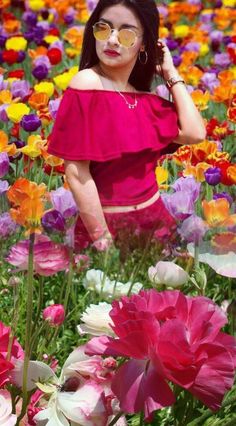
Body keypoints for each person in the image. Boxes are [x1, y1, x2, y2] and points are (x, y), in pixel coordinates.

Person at [47, 0, 206, 251]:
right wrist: (102, 241)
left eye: (126, 33)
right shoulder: (88, 84)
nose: (112, 40)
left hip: (156, 224)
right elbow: (77, 173)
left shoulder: (141, 99)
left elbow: (195, 133)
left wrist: (171, 74)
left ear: (144, 43)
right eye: (104, 28)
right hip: (107, 229)